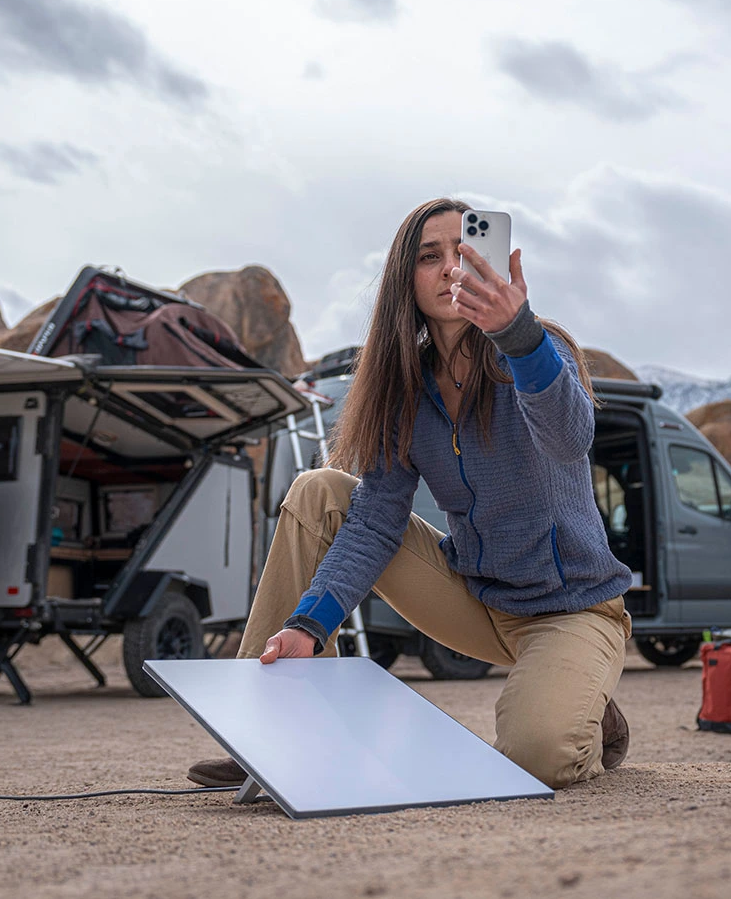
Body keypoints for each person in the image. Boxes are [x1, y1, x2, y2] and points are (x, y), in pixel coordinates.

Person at [188, 198, 633, 790]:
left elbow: (570, 439)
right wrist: (309, 625)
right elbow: (374, 522)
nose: (450, 268)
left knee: (538, 756)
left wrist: (517, 335)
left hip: (571, 610)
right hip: (474, 598)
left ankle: (581, 699)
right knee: (320, 491)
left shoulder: (537, 348)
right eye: (430, 256)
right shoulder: (403, 386)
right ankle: (269, 734)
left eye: (464, 252)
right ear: (407, 280)